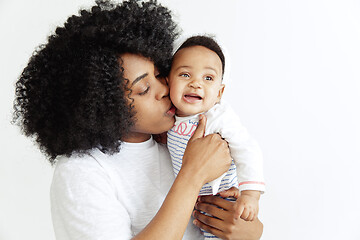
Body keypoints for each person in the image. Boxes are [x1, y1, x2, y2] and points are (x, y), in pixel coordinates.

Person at [13, 0, 263, 239]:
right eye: (143, 88)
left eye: (159, 73)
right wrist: (191, 175)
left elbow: (236, 213)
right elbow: (192, 177)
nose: (164, 88)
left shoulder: (177, 139)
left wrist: (249, 231)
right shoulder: (82, 172)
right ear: (103, 105)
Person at [167, 36, 265, 239]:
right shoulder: (167, 118)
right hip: (194, 207)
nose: (196, 83)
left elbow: (248, 149)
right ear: (168, 81)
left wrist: (250, 195)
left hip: (225, 202)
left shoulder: (218, 116)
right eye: (185, 75)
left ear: (219, 93)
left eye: (208, 78)